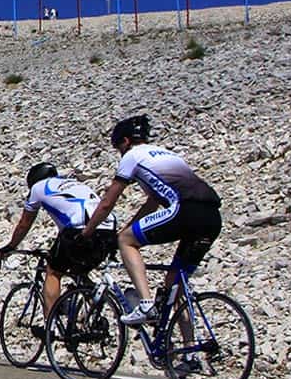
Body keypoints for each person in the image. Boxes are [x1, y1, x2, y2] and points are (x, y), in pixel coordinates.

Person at [82, 114, 222, 325]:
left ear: (126, 141)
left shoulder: (132, 156)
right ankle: (189, 351)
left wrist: (88, 232)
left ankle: (146, 304)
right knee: (174, 289)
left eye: (119, 147)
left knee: (126, 242)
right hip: (212, 217)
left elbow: (106, 204)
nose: (120, 152)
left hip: (185, 210)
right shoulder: (168, 154)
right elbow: (151, 204)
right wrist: (127, 228)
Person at [0, 162, 118, 323]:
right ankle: (93, 299)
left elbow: (24, 224)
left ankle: (50, 324)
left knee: (53, 271)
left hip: (79, 229)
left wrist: (11, 246)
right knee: (78, 268)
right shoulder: (74, 184)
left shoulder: (38, 188)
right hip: (108, 230)